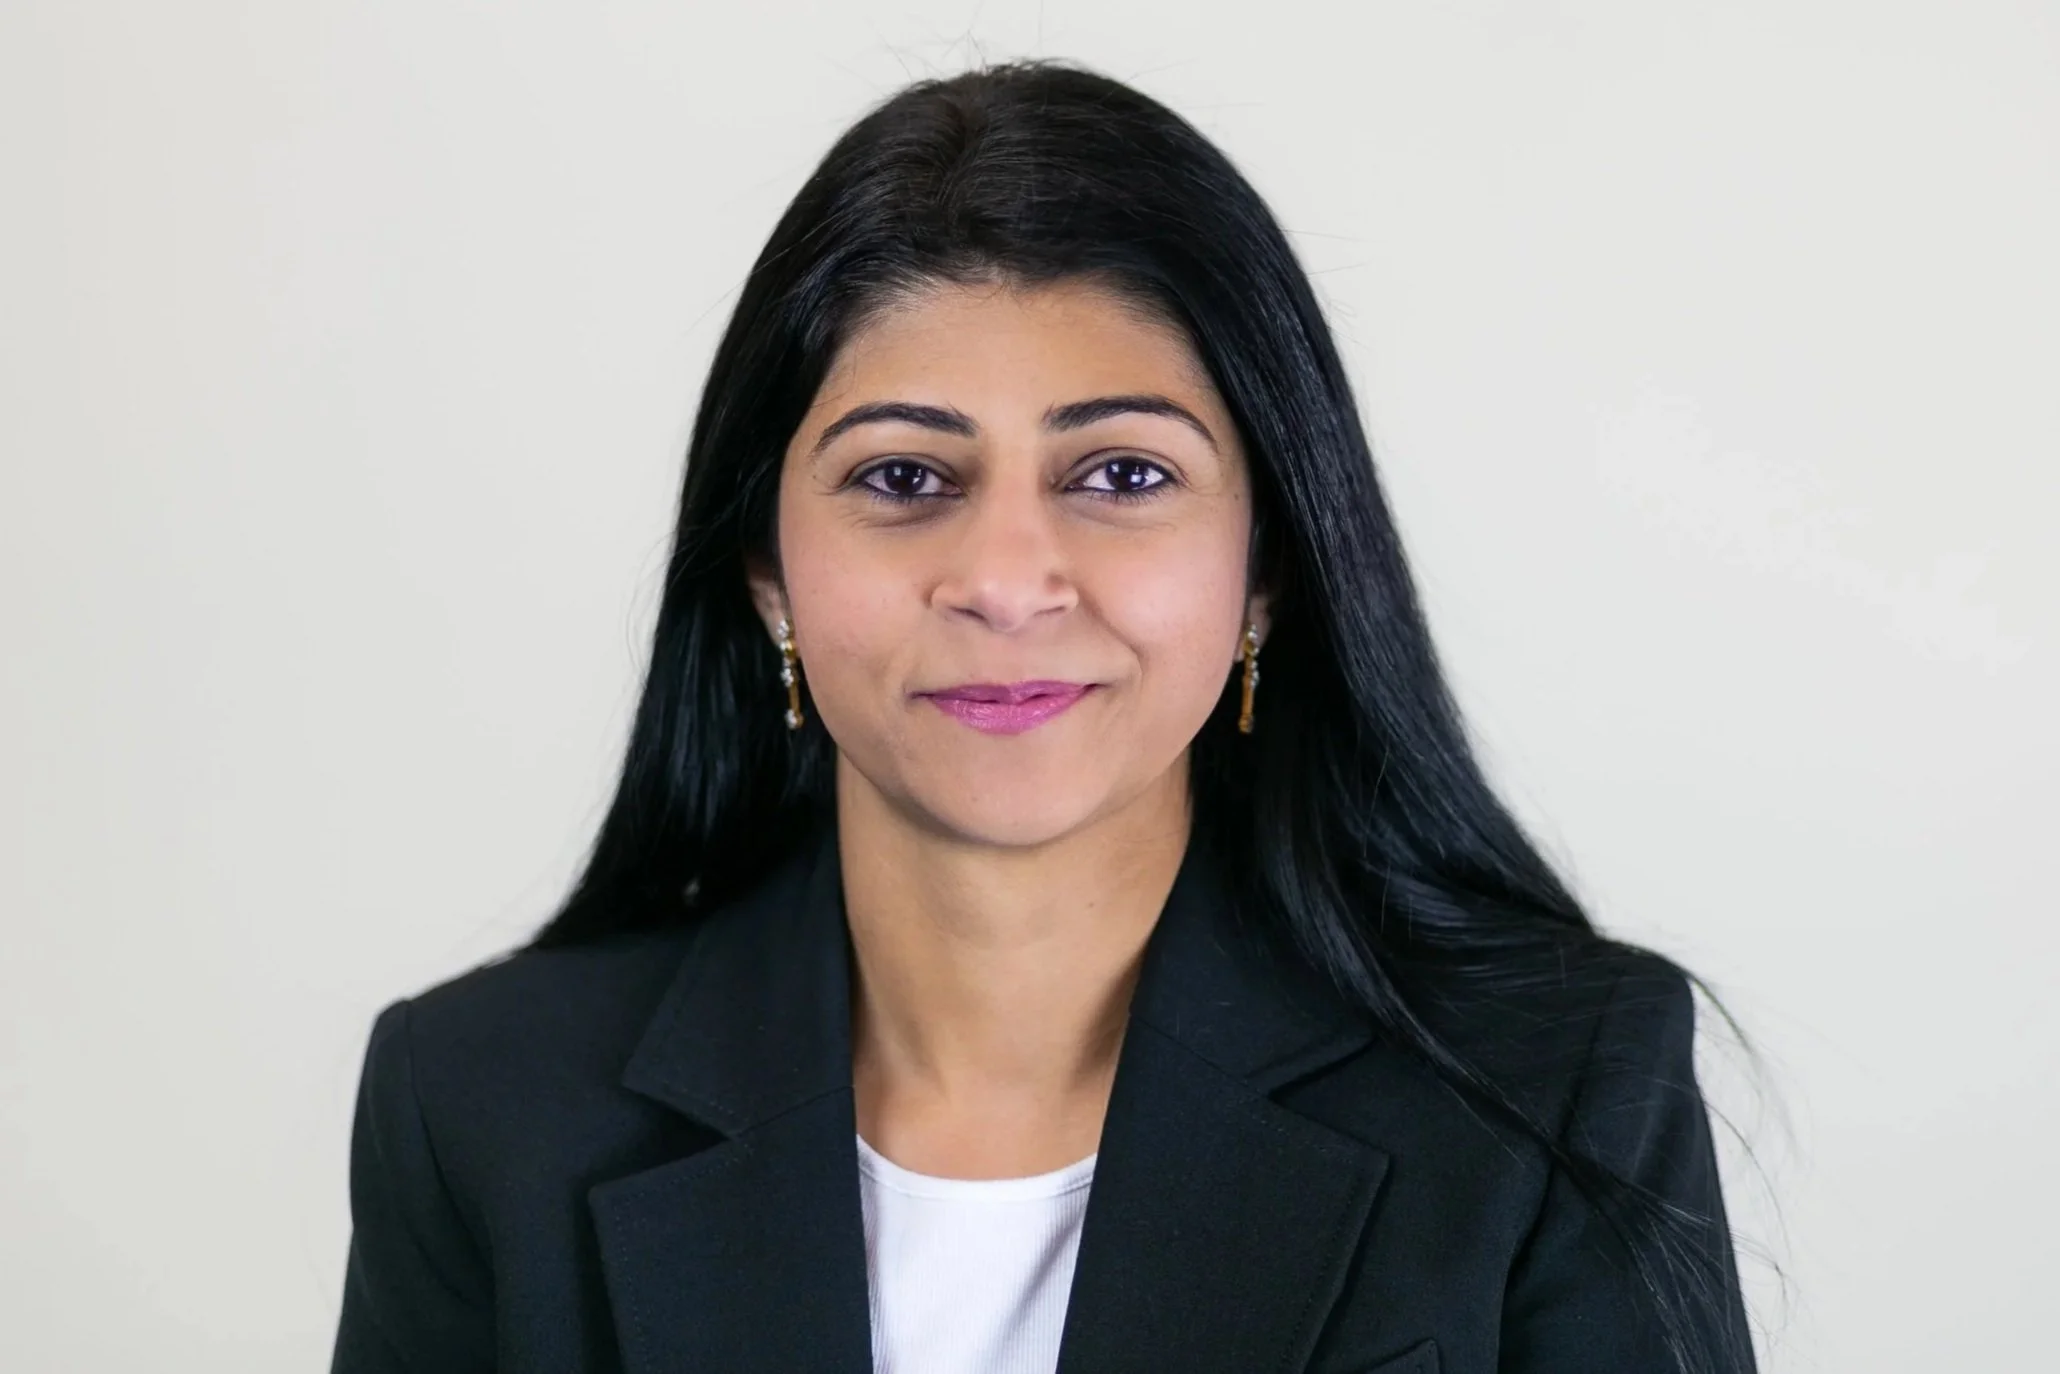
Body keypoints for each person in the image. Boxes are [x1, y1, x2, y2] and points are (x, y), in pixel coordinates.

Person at [330, 58, 1757, 1374]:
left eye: (1122, 475)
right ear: (767, 570)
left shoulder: (1553, 1087)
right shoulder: (480, 1106)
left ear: (1266, 564)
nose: (1007, 582)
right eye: (903, 479)